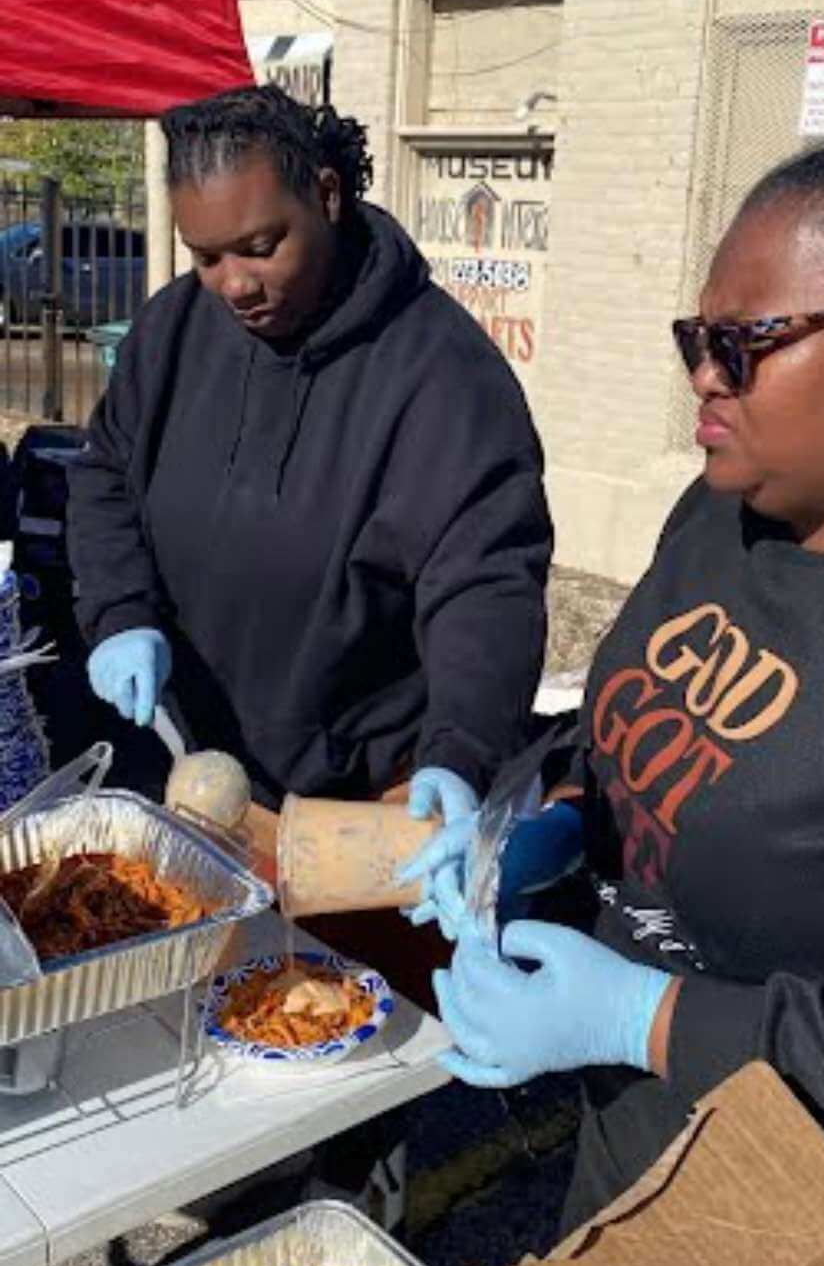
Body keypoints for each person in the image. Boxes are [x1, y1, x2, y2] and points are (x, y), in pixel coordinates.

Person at [422, 75, 824, 1233]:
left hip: (798, 1215)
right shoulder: (722, 510)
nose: (701, 376)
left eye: (742, 344)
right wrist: (545, 816)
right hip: (631, 1140)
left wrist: (648, 1019)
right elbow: (624, 728)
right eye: (692, 338)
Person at [66, 86, 552, 899]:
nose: (234, 285)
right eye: (206, 256)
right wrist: (120, 613)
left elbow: (485, 580)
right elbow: (106, 471)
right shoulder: (173, 329)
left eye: (260, 245)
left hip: (358, 795)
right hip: (202, 772)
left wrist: (461, 750)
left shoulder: (440, 373)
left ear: (326, 196)